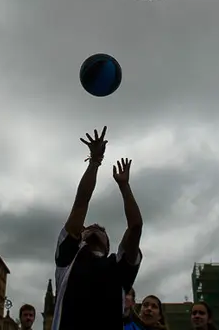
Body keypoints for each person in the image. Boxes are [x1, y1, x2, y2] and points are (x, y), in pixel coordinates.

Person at [52, 127, 144, 330]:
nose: (95, 226)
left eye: (102, 229)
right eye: (89, 227)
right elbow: (81, 203)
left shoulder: (119, 269)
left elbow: (135, 226)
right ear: (79, 237)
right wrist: (95, 162)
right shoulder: (67, 259)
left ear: (109, 245)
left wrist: (124, 186)